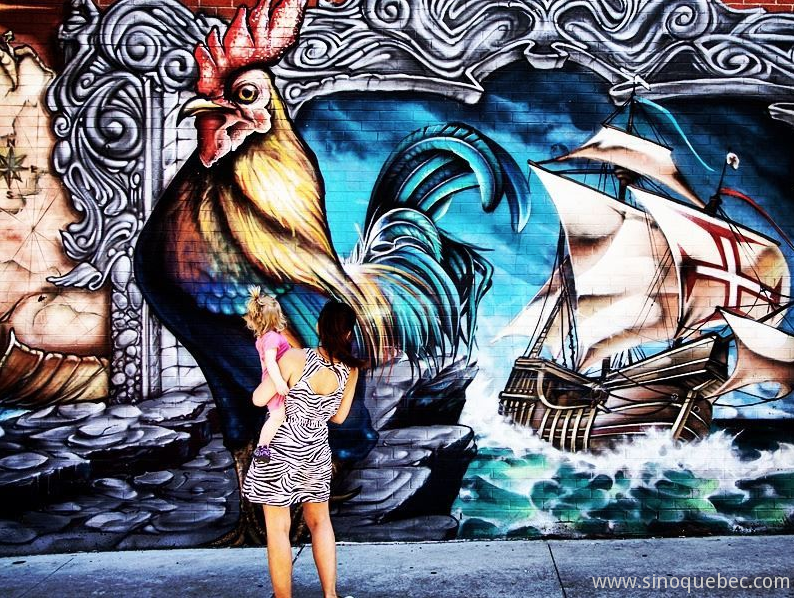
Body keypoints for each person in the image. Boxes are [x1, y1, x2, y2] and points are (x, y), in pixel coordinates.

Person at [242, 299, 365, 598]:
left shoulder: (295, 358)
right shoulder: (350, 370)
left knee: (278, 528)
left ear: (319, 327)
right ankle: (330, 595)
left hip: (280, 447)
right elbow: (339, 417)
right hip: (316, 449)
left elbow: (260, 399)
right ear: (348, 333)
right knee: (320, 522)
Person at [244, 287, 291, 464]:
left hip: (273, 380)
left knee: (279, 416)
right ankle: (262, 448)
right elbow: (270, 362)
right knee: (277, 416)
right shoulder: (271, 338)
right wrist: (278, 383)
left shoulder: (265, 337)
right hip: (274, 382)